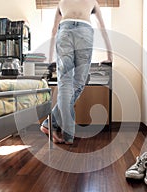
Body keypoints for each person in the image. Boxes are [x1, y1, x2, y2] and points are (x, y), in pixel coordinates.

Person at [40, 0, 113, 144]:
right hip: (84, 33)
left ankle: (55, 126)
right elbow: (102, 27)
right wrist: (110, 55)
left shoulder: (62, 2)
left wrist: (50, 58)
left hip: (64, 32)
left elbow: (54, 29)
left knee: (65, 84)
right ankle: (64, 133)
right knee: (78, 83)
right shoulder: (92, 1)